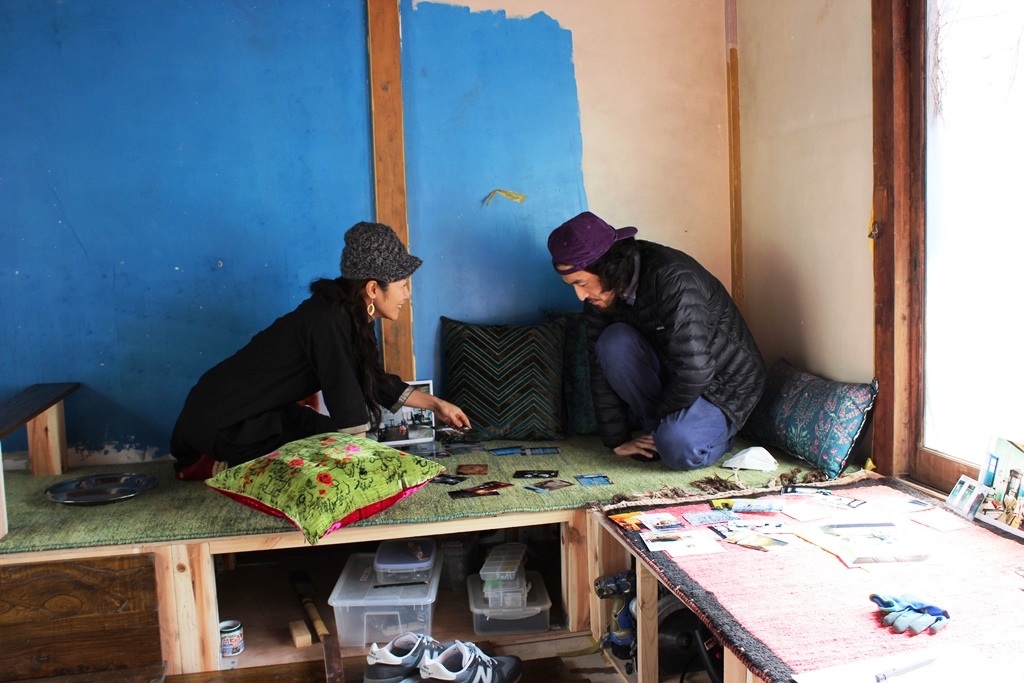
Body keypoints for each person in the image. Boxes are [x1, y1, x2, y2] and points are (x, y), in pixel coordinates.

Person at [170, 221, 471, 480]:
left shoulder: (350, 314)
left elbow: (372, 379)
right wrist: (367, 469)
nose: (407, 294)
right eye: (403, 285)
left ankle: (219, 459)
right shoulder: (327, 318)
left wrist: (436, 405)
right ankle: (212, 463)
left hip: (256, 412)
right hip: (224, 420)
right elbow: (345, 396)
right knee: (321, 454)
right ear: (372, 289)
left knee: (324, 434)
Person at [546, 211, 766, 471]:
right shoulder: (600, 294)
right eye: (571, 285)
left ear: (606, 268)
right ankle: (668, 431)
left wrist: (663, 422)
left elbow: (695, 370)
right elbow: (599, 365)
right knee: (612, 342)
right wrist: (616, 440)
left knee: (678, 447)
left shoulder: (674, 278)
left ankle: (707, 439)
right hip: (675, 377)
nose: (580, 296)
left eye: (581, 283)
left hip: (723, 383)